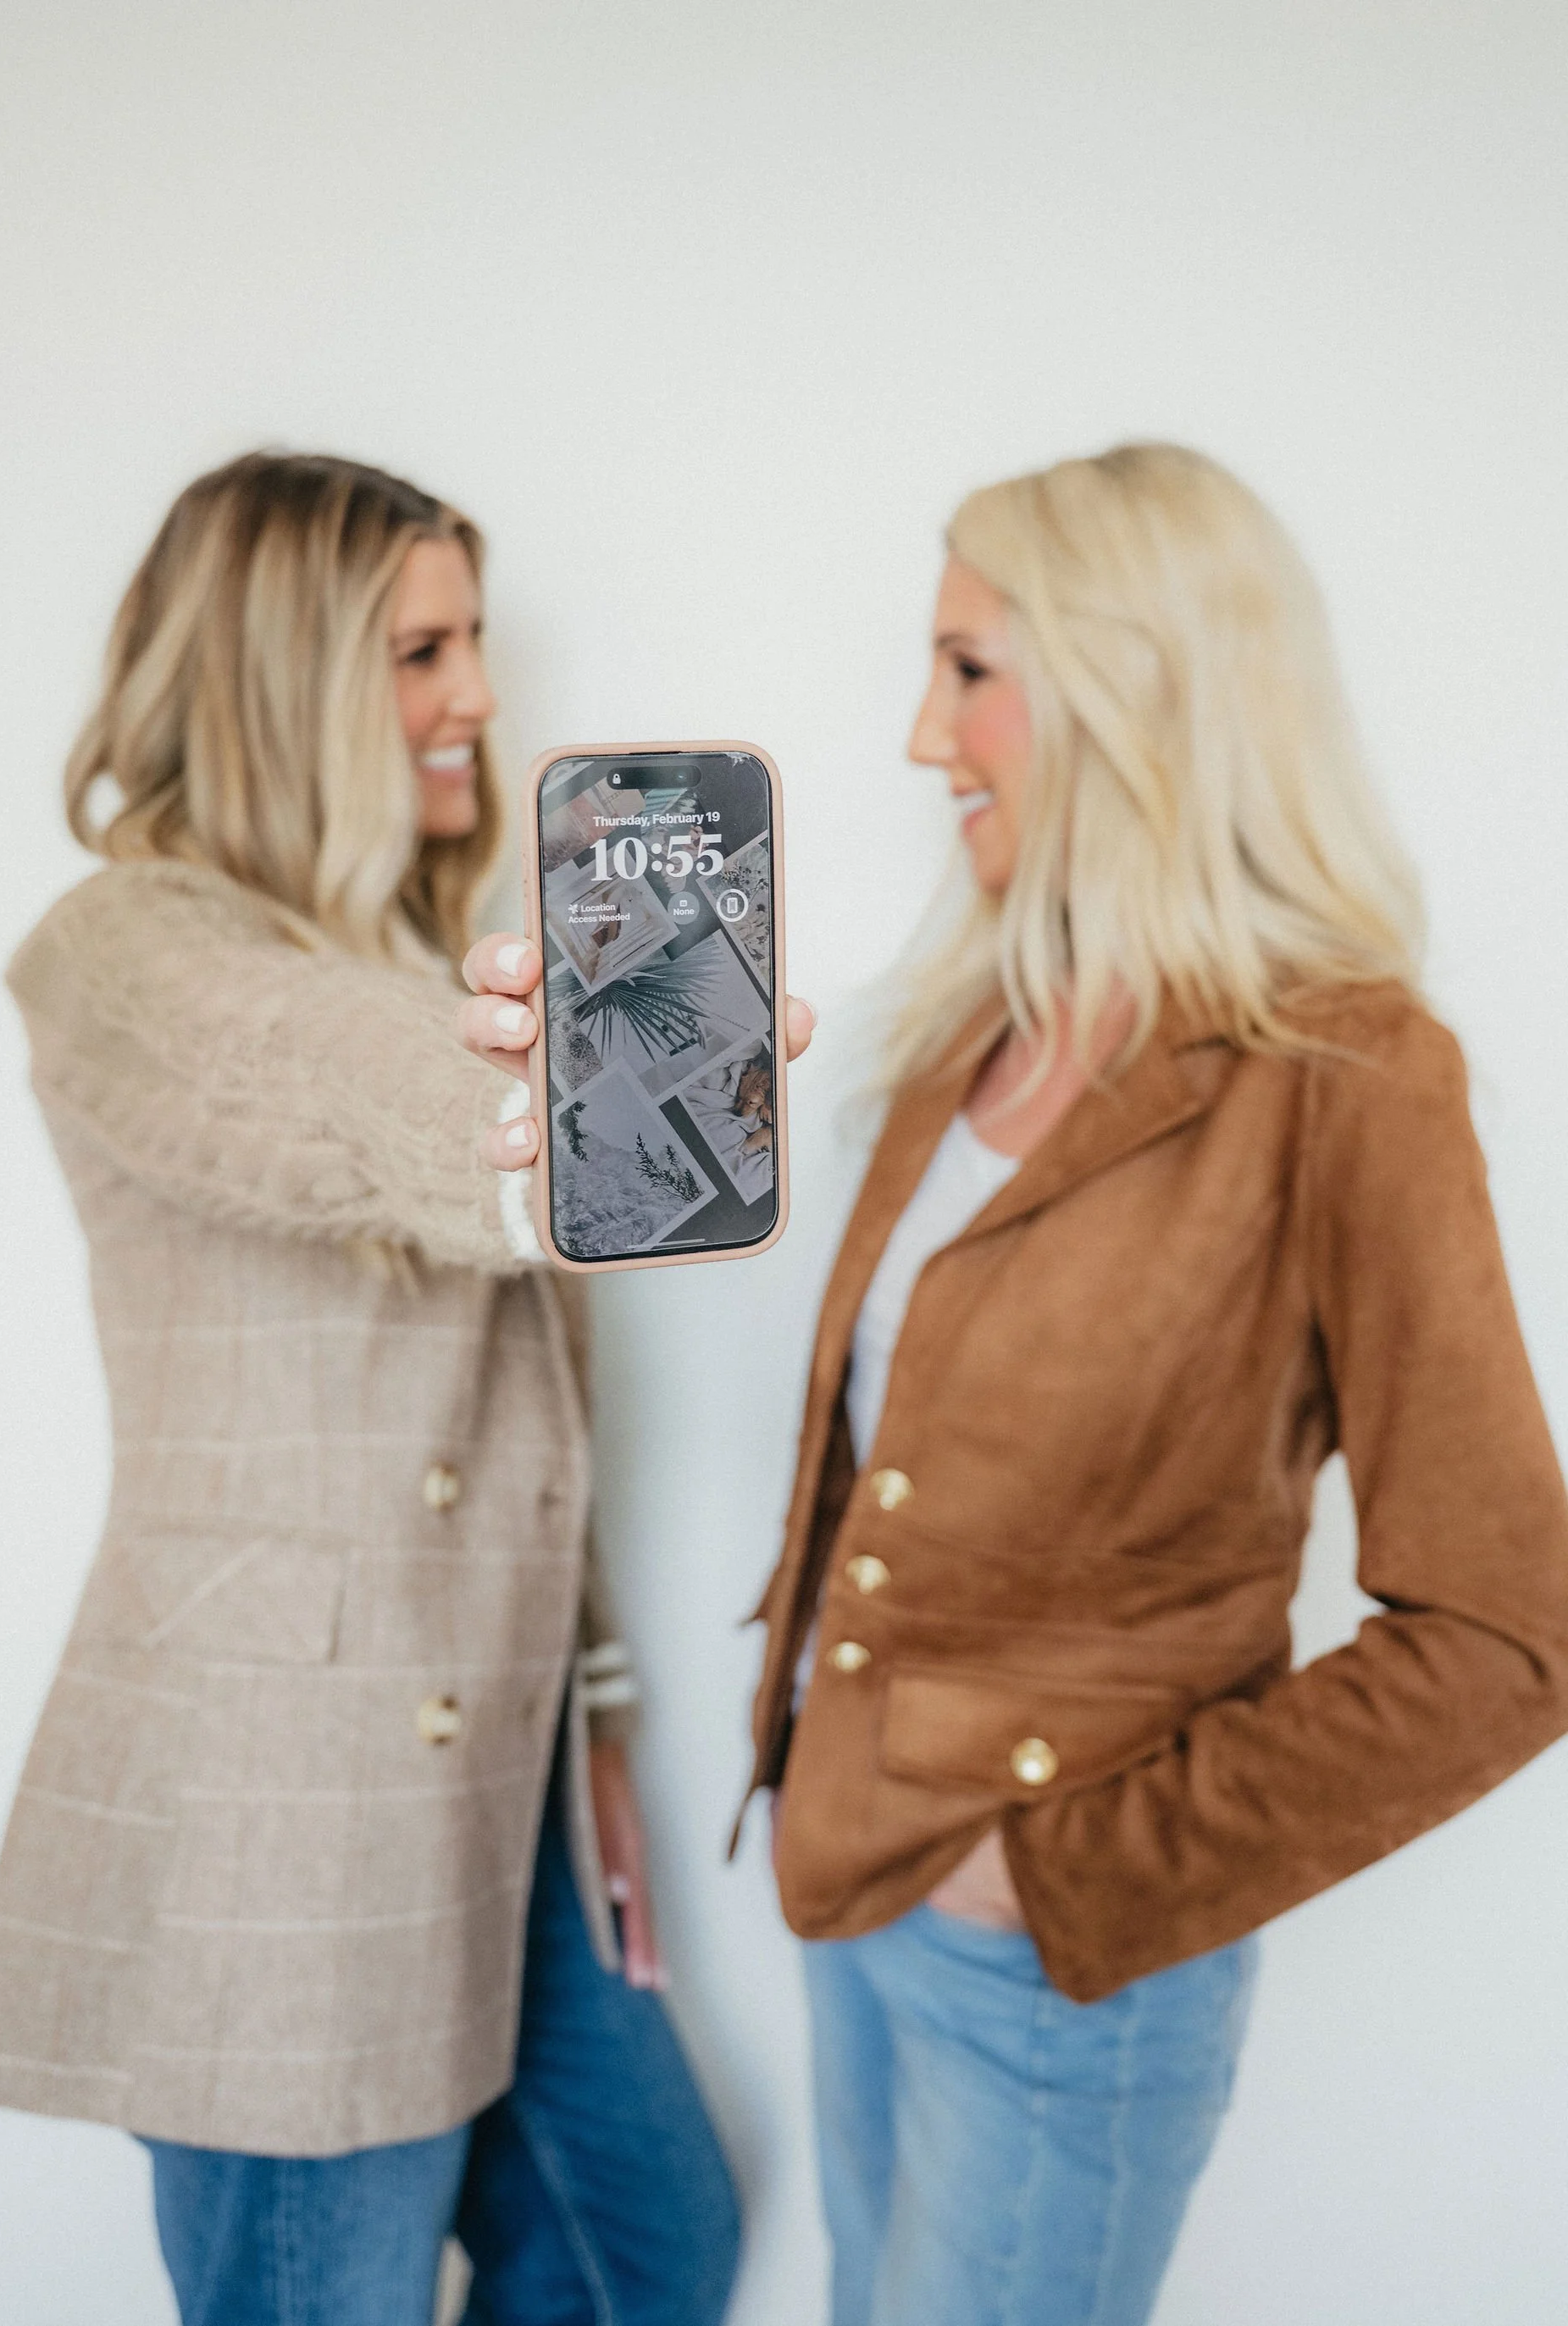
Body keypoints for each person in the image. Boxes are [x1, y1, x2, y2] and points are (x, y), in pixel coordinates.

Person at [461, 441, 1568, 2326]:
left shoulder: (1356, 1076)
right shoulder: (972, 1024)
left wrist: (1059, 1870)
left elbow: (1506, 1633)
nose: (920, 735)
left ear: (1137, 688)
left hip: (1060, 1965)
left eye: (968, 669)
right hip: (849, 1873)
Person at [0, 451, 748, 2326]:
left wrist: (602, 1710)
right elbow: (324, 1077)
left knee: (655, 2248)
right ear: (277, 678)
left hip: (509, 1767)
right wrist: (545, 1120)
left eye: (471, 641)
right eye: (421, 651)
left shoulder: (416, 943)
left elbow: (530, 1410)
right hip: (289, 1816)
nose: (477, 691)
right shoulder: (129, 953)